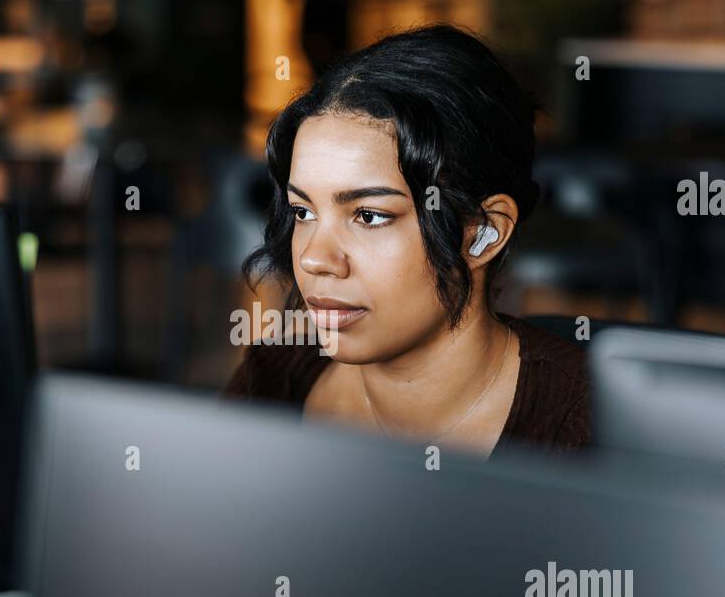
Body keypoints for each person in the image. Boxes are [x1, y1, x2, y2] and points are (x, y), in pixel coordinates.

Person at [226, 24, 590, 458]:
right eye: (304, 212)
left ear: (483, 233)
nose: (313, 259)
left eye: (368, 216)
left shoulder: (581, 429)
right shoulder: (272, 377)